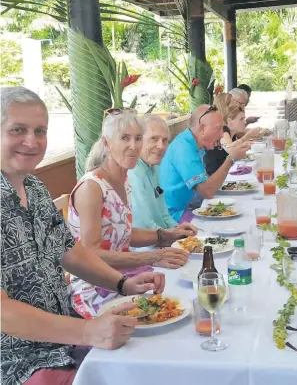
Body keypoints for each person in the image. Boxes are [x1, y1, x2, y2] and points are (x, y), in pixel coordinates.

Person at [1, 87, 166, 385]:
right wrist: (88, 332)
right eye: (18, 130)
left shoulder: (35, 189)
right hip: (18, 361)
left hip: (64, 340)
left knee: (158, 352)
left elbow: (71, 253)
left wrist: (123, 283)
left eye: (40, 130)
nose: (32, 141)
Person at [68, 109, 195, 318]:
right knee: (169, 305)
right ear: (107, 143)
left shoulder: (123, 180)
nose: (133, 146)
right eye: (125, 138)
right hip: (96, 287)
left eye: (137, 138)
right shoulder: (92, 187)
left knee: (183, 297)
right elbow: (91, 254)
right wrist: (152, 256)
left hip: (123, 277)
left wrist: (166, 235)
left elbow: (123, 232)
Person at [159, 104, 250, 222]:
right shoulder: (184, 148)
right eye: (218, 128)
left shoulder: (194, 143)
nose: (222, 134)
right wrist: (231, 159)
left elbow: (207, 185)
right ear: (202, 128)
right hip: (174, 215)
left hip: (189, 207)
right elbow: (207, 191)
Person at [128, 114, 182, 251]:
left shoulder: (153, 167)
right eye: (154, 139)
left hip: (160, 240)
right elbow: (144, 226)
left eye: (165, 140)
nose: (161, 146)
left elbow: (163, 213)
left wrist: (179, 231)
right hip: (141, 250)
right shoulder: (132, 172)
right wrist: (173, 236)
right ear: (138, 140)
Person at [204, 93, 260, 175]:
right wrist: (247, 137)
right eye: (233, 101)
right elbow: (230, 149)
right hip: (215, 174)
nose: (236, 103)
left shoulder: (226, 126)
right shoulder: (222, 128)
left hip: (224, 170)